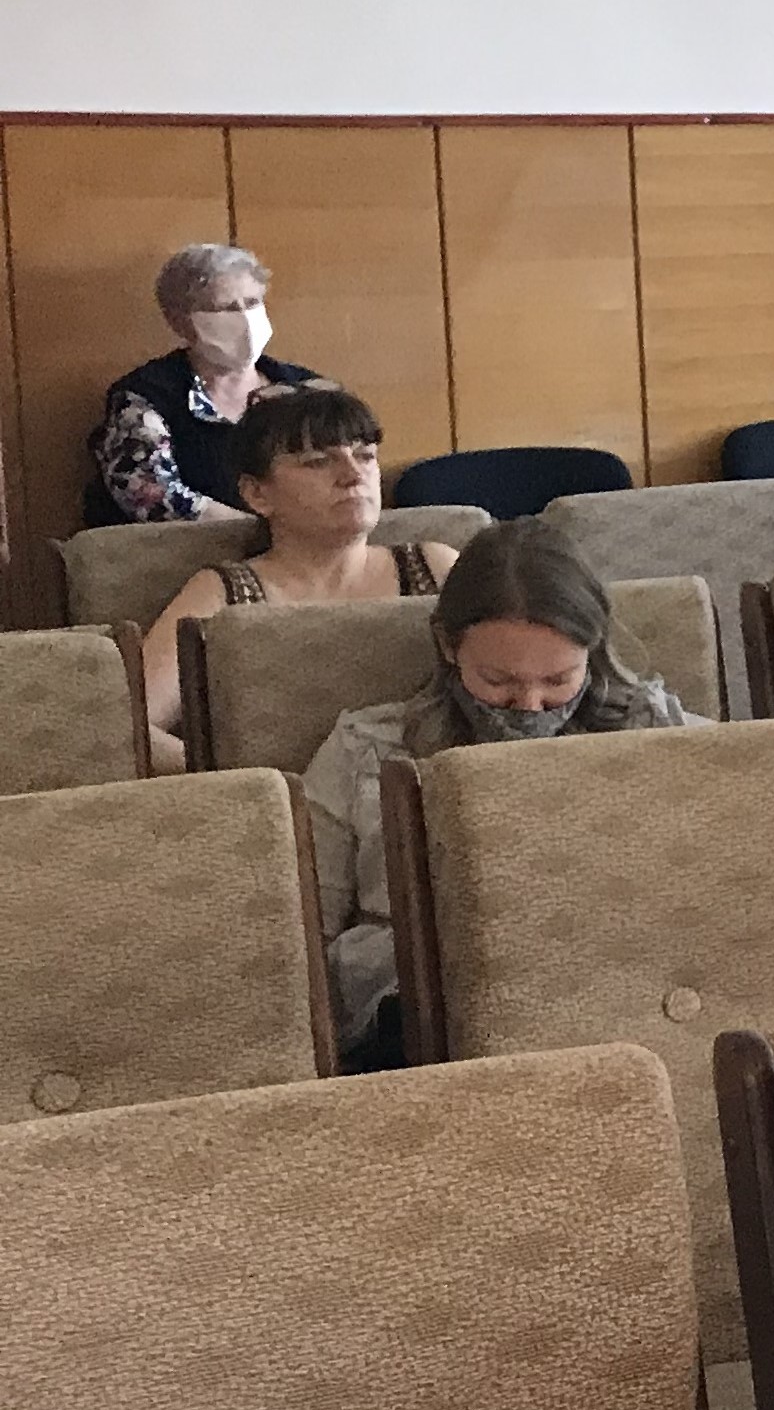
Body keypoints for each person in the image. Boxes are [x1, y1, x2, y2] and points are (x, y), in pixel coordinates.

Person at [301, 518, 697, 1068]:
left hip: (617, 991)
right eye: (499, 681)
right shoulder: (365, 749)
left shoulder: (656, 731)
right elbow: (301, 935)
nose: (530, 705)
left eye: (558, 680)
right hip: (417, 1010)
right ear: (448, 645)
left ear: (593, 650)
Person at [137, 388, 467, 773]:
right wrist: (261, 789)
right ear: (257, 494)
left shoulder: (435, 567)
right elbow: (131, 726)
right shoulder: (222, 594)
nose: (353, 475)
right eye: (318, 462)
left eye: (365, 455)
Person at [90, 241, 330, 524]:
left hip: (304, 542)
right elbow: (152, 495)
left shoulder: (306, 389)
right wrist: (261, 531)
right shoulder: (146, 395)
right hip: (193, 546)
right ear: (179, 322)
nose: (245, 319)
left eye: (252, 302)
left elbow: (346, 472)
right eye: (225, 308)